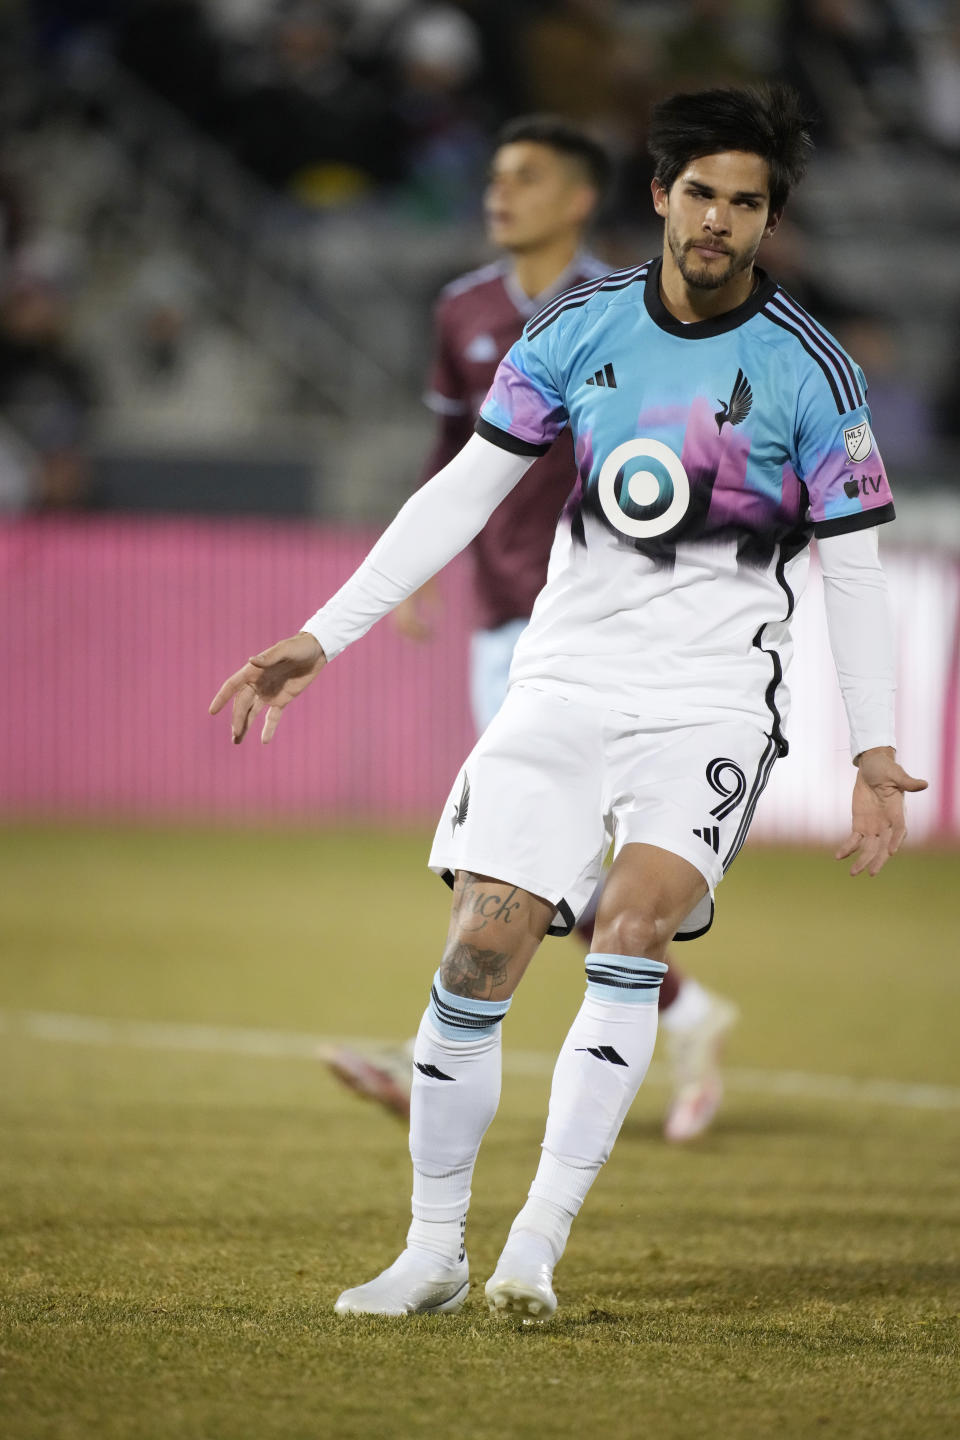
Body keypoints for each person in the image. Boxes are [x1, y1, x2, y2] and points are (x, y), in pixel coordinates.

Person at [211, 84, 926, 1322]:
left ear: (770, 222)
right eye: (700, 193)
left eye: (745, 204)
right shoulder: (575, 328)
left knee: (631, 931)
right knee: (480, 950)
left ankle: (532, 1250)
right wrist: (325, 635)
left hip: (709, 705)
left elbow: (851, 569)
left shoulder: (814, 372)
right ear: (660, 195)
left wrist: (873, 746)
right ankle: (433, 1251)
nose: (717, 221)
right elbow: (460, 494)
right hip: (564, 683)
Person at [327, 113, 738, 1144]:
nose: (497, 194)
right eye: (495, 177)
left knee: (507, 854)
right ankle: (683, 1013)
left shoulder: (629, 312)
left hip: (597, 625)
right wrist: (412, 570)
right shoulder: (462, 308)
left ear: (576, 198)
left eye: (524, 178)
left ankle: (445, 1057)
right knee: (522, 856)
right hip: (501, 616)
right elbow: (448, 449)